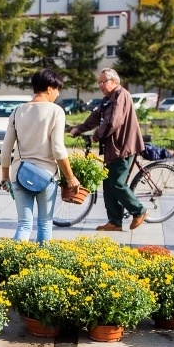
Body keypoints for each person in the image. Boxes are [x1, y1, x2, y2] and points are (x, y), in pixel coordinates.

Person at [0, 68, 81, 244]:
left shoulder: (17, 112)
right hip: (47, 176)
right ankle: (40, 266)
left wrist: (5, 176)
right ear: (49, 88)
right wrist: (71, 177)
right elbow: (58, 149)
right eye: (58, 89)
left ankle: (15, 263)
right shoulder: (55, 111)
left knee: (23, 225)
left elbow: (6, 149)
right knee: (45, 224)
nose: (58, 94)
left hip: (19, 175)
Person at [70, 68, 148, 231]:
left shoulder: (121, 95)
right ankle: (115, 222)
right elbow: (96, 116)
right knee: (108, 185)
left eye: (102, 81)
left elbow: (114, 122)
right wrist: (79, 129)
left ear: (114, 81)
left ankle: (139, 211)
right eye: (99, 82)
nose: (100, 85)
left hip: (122, 147)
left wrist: (95, 137)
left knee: (117, 184)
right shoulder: (107, 99)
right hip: (112, 149)